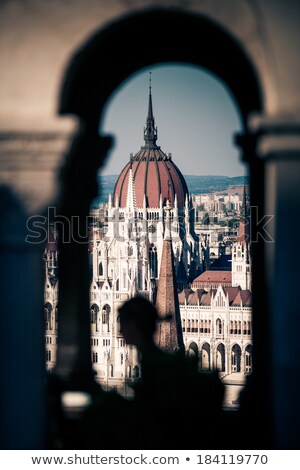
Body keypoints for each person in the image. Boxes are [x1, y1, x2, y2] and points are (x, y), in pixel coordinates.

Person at [118, 296, 225, 449]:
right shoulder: (153, 361)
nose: (120, 330)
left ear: (135, 326)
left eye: (122, 324)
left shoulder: (155, 365)